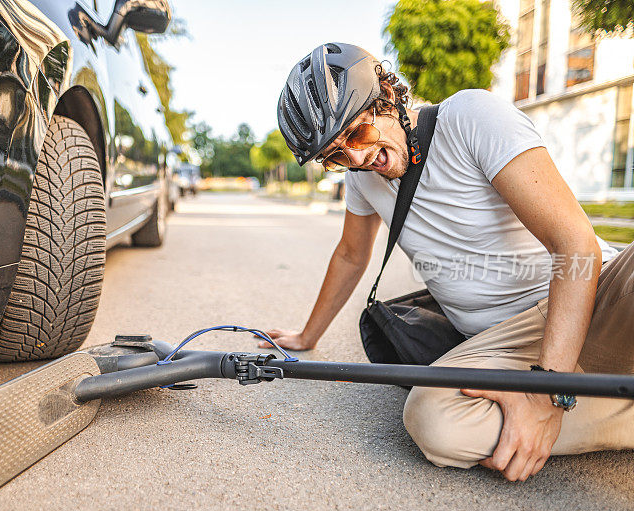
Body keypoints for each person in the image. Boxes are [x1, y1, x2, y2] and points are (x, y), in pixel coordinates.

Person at [265, 42, 634, 481]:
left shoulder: (470, 116)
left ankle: (557, 402)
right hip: (505, 341)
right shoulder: (362, 181)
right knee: (432, 418)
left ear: (386, 96)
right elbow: (350, 254)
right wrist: (308, 335)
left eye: (359, 134)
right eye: (337, 156)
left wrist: (544, 394)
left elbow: (575, 244)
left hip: (595, 294)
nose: (359, 158)